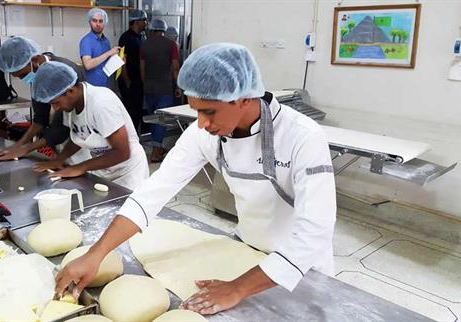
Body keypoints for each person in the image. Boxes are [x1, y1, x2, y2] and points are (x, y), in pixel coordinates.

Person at [54, 43, 337, 315]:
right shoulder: (205, 134)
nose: (200, 123)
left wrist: (238, 288)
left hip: (300, 269)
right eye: (196, 111)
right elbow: (153, 191)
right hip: (247, 249)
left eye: (208, 111)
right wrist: (97, 253)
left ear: (243, 98)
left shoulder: (303, 137)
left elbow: (314, 232)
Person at [31, 61, 149, 190]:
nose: (56, 108)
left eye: (56, 102)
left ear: (70, 91)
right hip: (105, 167)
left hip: (128, 170)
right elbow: (80, 136)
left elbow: (122, 152)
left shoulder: (101, 103)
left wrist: (79, 167)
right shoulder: (71, 105)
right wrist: (59, 159)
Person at [0, 36, 84, 161]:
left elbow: (62, 128)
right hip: (59, 140)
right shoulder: (36, 75)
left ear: (34, 60)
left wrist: (27, 148)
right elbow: (40, 119)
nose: (23, 79)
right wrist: (18, 145)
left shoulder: (65, 73)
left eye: (22, 75)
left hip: (81, 140)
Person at [140, 19, 181, 162]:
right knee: (162, 120)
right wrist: (178, 86)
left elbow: (142, 69)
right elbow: (175, 68)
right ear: (164, 30)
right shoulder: (171, 45)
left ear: (151, 29)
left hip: (149, 88)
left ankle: (156, 147)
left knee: (153, 118)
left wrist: (145, 84)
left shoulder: (144, 45)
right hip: (165, 89)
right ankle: (156, 153)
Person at [118, 9, 148, 131]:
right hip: (129, 82)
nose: (146, 23)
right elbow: (122, 61)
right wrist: (127, 80)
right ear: (136, 22)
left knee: (138, 112)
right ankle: (130, 141)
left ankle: (136, 138)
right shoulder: (126, 38)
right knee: (131, 112)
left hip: (138, 81)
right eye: (144, 20)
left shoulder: (141, 37)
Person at [79, 8, 120, 87]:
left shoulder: (106, 41)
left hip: (107, 85)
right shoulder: (86, 41)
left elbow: (106, 63)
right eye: (94, 20)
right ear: (89, 22)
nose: (98, 24)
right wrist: (108, 53)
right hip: (93, 87)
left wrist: (118, 59)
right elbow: (88, 65)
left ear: (104, 23)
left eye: (101, 21)